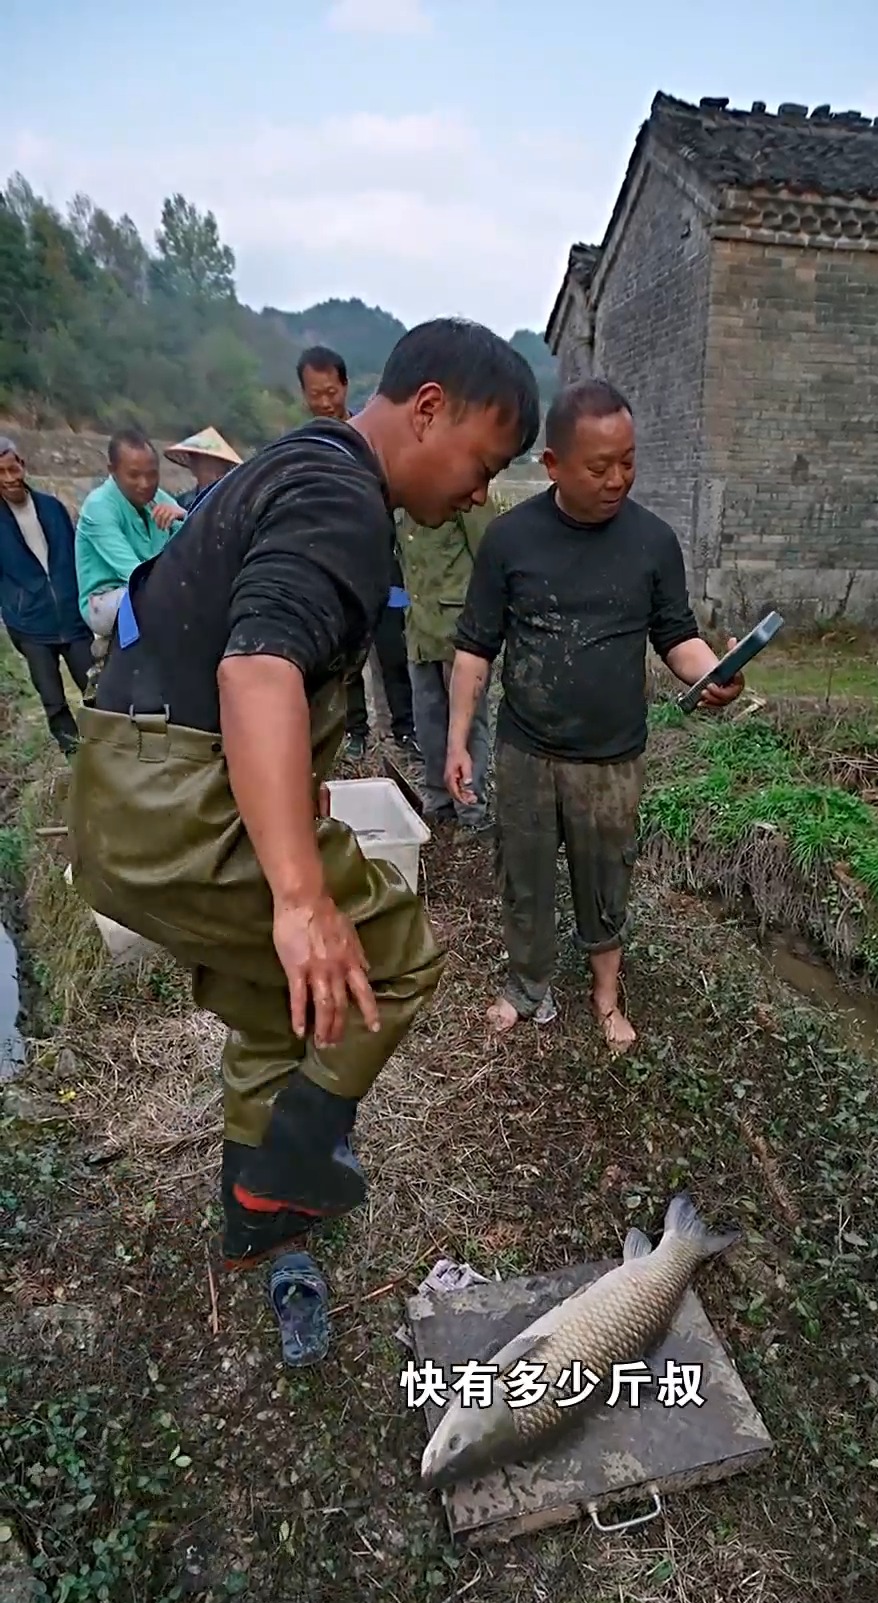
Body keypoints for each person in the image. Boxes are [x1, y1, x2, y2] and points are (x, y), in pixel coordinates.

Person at [69, 318, 539, 1364]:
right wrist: (299, 894)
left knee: (281, 1009)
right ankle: (289, 1166)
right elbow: (257, 671)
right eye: (482, 463)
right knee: (392, 956)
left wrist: (298, 826)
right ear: (427, 409)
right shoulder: (342, 498)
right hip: (181, 804)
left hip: (123, 791)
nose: (479, 494)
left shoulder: (292, 464)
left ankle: (256, 1215)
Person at [446, 378, 744, 1054]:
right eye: (600, 466)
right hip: (526, 751)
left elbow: (677, 636)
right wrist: (458, 740)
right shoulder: (509, 540)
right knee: (523, 875)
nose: (618, 479)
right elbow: (473, 650)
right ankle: (528, 986)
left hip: (612, 757)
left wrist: (712, 672)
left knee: (606, 876)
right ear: (553, 465)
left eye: (629, 461)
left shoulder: (652, 541)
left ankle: (606, 995)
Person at [296, 344, 417, 758]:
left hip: (385, 565)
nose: (326, 402)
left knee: (393, 648)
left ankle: (404, 729)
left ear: (345, 386)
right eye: (316, 394)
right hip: (335, 568)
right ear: (304, 395)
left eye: (332, 391)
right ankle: (355, 732)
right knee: (344, 657)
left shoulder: (370, 440)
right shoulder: (305, 447)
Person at [398, 500, 497, 830]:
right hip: (420, 632)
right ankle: (439, 804)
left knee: (468, 725)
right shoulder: (402, 501)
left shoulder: (463, 498)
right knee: (428, 723)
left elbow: (490, 557)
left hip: (460, 633)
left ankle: (471, 812)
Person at [0, 435, 93, 757]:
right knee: (53, 701)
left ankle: (110, 750)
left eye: (13, 469)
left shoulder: (52, 508)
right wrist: (14, 609)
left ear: (22, 466)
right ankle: (76, 759)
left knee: (96, 690)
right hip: (31, 627)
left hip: (72, 615)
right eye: (1, 472)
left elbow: (75, 555)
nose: (10, 478)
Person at [74, 429, 186, 653]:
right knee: (171, 596)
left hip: (152, 585)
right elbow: (134, 573)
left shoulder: (161, 500)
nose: (145, 484)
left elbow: (194, 547)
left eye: (152, 474)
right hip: (107, 600)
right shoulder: (99, 507)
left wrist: (184, 516)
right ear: (112, 471)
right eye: (134, 475)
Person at [163, 426, 243, 510]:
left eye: (219, 467)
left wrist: (185, 515)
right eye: (207, 467)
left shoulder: (238, 500)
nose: (214, 474)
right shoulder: (181, 502)